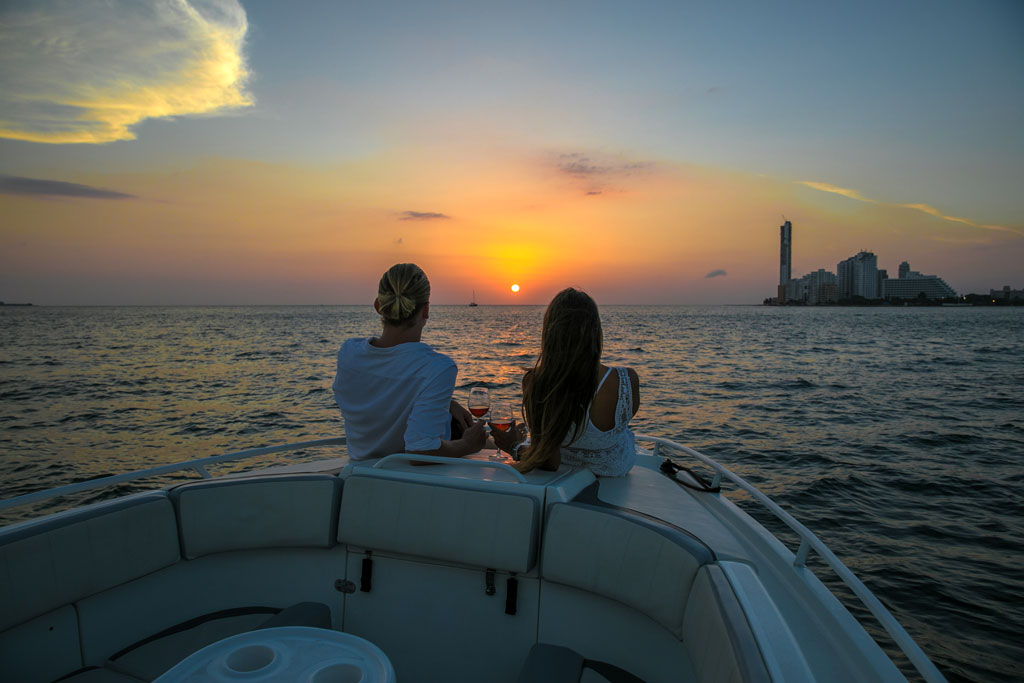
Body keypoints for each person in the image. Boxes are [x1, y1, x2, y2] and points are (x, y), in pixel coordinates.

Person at [333, 263, 487, 460]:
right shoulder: (437, 368)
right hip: (414, 482)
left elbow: (385, 391)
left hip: (358, 474)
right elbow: (420, 450)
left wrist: (447, 403)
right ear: (426, 310)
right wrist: (467, 445)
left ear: (378, 306)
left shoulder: (349, 353)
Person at [490, 288, 640, 475]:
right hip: (616, 475)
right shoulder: (625, 380)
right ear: (595, 331)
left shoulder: (536, 382)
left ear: (550, 332)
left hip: (564, 476)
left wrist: (513, 445)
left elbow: (548, 461)